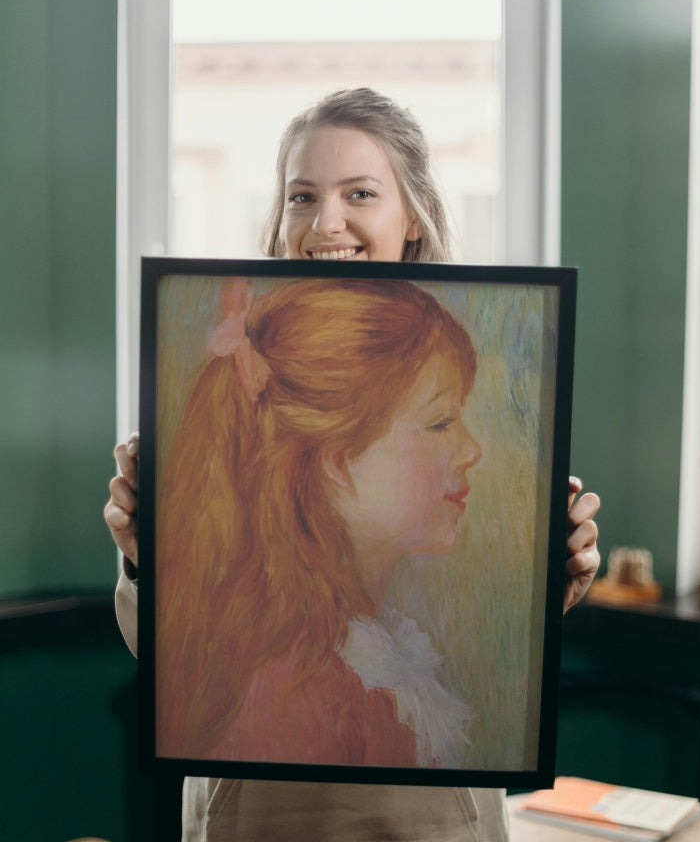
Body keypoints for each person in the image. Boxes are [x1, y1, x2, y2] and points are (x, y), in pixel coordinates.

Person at [105, 87, 601, 842]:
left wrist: (554, 578)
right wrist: (146, 559)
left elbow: (500, 662)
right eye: (301, 194)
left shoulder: (455, 335)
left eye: (359, 193)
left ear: (413, 212)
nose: (324, 219)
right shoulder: (226, 391)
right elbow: (177, 658)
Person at [157, 275, 482, 770]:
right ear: (335, 462)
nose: (472, 451)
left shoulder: (367, 654)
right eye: (440, 423)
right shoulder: (303, 694)